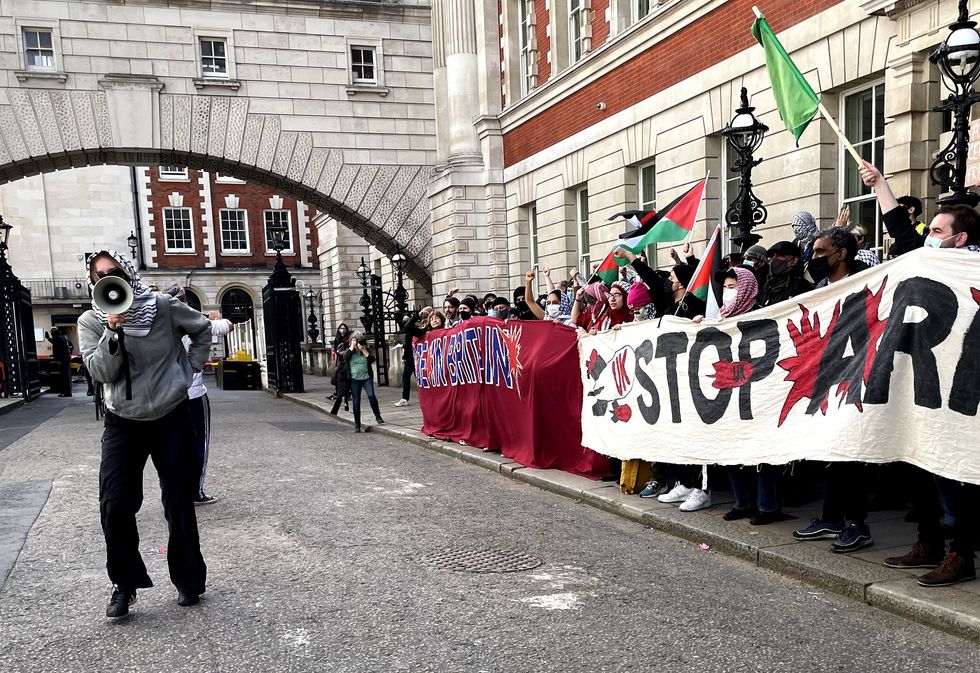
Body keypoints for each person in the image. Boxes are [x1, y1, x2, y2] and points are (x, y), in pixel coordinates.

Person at [856, 160, 979, 585]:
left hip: (962, 387)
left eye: (938, 233)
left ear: (960, 239)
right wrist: (881, 185)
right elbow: (904, 234)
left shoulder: (972, 269)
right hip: (922, 381)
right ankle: (928, 542)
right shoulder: (928, 261)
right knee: (917, 461)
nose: (929, 240)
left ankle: (960, 553)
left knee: (952, 471)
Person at [78, 250, 212, 619]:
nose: (108, 278)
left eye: (114, 271)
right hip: (123, 421)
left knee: (178, 501)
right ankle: (125, 583)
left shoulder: (163, 307)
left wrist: (189, 369)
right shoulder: (91, 321)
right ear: (94, 281)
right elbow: (102, 373)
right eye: (100, 274)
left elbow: (201, 329)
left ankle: (188, 579)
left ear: (128, 273)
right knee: (115, 504)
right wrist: (112, 329)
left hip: (171, 415)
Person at [165, 284, 233, 506]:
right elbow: (227, 326)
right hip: (193, 393)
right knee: (198, 444)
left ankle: (175, 491)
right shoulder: (194, 321)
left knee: (172, 445)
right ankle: (196, 492)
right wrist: (216, 316)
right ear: (184, 301)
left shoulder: (159, 325)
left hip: (168, 395)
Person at [344, 331, 385, 433]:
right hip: (354, 380)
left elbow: (371, 360)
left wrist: (363, 350)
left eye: (359, 341)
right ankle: (357, 424)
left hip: (366, 378)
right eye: (355, 340)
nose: (358, 344)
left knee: (371, 396)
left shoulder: (366, 349)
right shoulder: (350, 351)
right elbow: (345, 357)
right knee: (356, 401)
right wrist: (352, 346)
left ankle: (377, 415)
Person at [395, 306, 432, 407]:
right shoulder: (414, 328)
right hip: (410, 357)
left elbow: (412, 331)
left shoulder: (428, 328)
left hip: (420, 357)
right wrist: (417, 315)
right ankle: (404, 398)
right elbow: (407, 331)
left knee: (421, 378)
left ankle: (428, 396)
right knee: (406, 377)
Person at [757, 241, 812, 307]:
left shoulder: (801, 285)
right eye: (772, 256)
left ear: (795, 260)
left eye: (779, 255)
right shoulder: (768, 286)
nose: (774, 259)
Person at [47, 326, 73, 397]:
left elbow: (57, 350)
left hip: (62, 360)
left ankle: (65, 392)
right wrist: (48, 339)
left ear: (52, 332)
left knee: (63, 377)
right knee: (65, 376)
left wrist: (57, 360)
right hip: (65, 359)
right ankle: (67, 392)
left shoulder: (56, 338)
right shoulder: (61, 337)